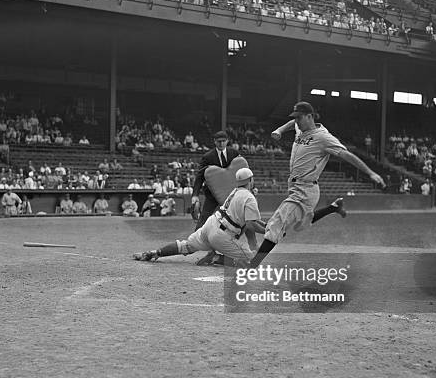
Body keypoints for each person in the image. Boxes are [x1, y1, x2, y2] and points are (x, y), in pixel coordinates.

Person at [249, 101, 385, 267]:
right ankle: (333, 207)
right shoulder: (301, 127)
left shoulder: (323, 137)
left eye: (300, 118)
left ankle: (252, 265)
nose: (297, 121)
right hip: (296, 188)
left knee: (277, 223)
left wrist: (370, 172)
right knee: (301, 225)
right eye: (296, 118)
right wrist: (280, 130)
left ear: (310, 116)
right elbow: (292, 124)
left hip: (305, 190)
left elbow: (346, 155)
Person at [133, 168, 266, 264]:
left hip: (211, 224)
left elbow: (252, 222)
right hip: (222, 235)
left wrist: (265, 226)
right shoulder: (249, 197)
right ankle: (216, 258)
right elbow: (251, 224)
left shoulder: (235, 191)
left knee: (186, 246)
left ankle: (155, 252)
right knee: (252, 261)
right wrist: (268, 231)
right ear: (250, 180)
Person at [191, 130, 242, 265]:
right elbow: (199, 176)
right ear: (214, 142)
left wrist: (251, 186)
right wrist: (195, 195)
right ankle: (193, 242)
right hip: (212, 195)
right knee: (204, 218)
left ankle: (221, 250)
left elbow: (243, 171)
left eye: (223, 141)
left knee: (231, 223)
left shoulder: (234, 153)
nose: (221, 143)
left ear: (227, 141)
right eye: (218, 141)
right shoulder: (208, 157)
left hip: (230, 196)